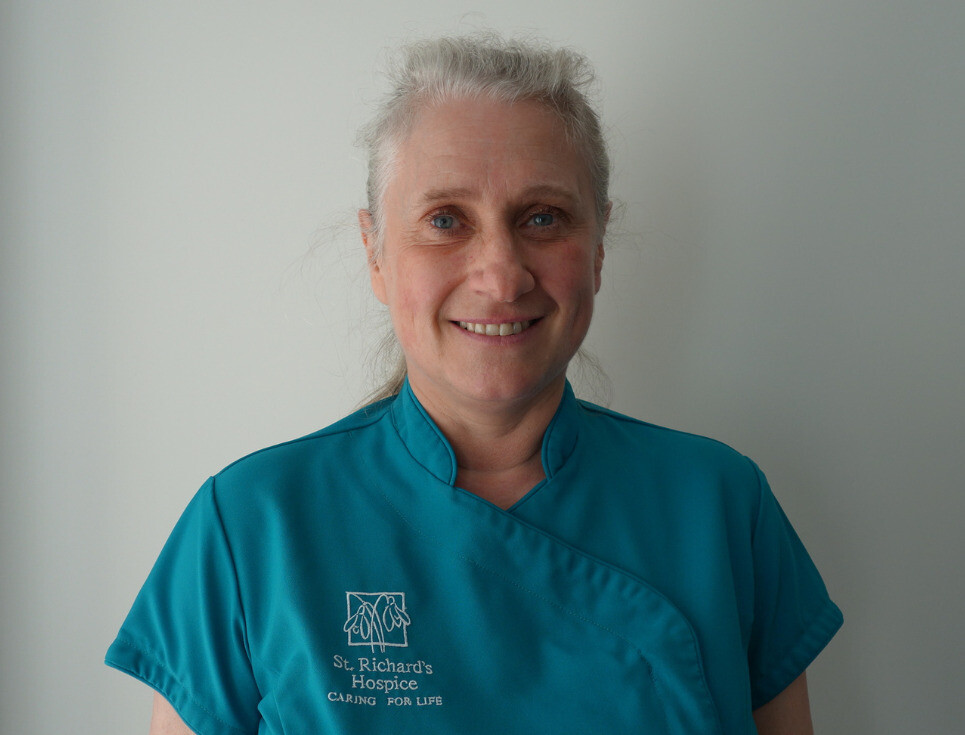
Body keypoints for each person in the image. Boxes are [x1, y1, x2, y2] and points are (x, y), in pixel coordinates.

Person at [106, 34, 842, 734]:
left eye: (542, 217)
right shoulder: (250, 524)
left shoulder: (719, 505)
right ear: (376, 252)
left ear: (597, 248)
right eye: (446, 219)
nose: (499, 273)